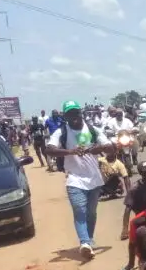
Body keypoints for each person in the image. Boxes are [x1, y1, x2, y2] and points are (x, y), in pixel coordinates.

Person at [46, 100, 111, 260]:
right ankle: (84, 242)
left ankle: (88, 242)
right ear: (65, 117)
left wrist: (99, 148)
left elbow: (111, 147)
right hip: (74, 179)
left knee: (91, 213)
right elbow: (49, 149)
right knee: (80, 211)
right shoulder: (62, 132)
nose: (73, 116)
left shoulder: (92, 129)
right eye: (69, 114)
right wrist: (70, 151)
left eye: (76, 112)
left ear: (80, 113)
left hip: (94, 179)